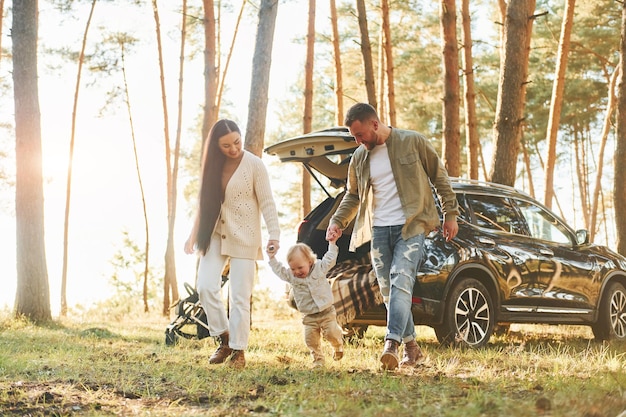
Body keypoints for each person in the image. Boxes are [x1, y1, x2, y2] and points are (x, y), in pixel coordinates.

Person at [325, 103, 459, 371]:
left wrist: (450, 213)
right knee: (388, 290)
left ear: (375, 124)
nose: (358, 141)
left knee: (401, 280)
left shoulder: (413, 141)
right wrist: (338, 221)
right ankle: (412, 349)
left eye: (360, 134)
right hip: (379, 230)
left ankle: (392, 343)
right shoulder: (360, 158)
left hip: (411, 226)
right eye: (354, 137)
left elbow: (439, 176)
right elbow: (353, 195)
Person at [184, 118, 280, 369]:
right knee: (205, 286)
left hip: (246, 237)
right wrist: (192, 234)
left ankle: (238, 350)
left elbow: (268, 202)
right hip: (216, 234)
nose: (234, 149)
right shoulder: (212, 167)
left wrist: (274, 235)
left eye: (236, 142)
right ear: (216, 147)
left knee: (239, 296)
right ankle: (224, 337)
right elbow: (204, 204)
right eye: (226, 146)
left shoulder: (254, 165)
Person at [267, 239, 344, 368]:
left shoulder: (319, 268)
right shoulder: (292, 276)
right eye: (293, 269)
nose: (297, 271)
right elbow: (280, 271)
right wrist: (272, 258)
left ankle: (338, 346)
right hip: (308, 316)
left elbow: (330, 259)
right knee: (311, 340)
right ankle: (318, 360)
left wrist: (332, 243)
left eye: (300, 267)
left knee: (331, 333)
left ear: (310, 262)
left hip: (326, 311)